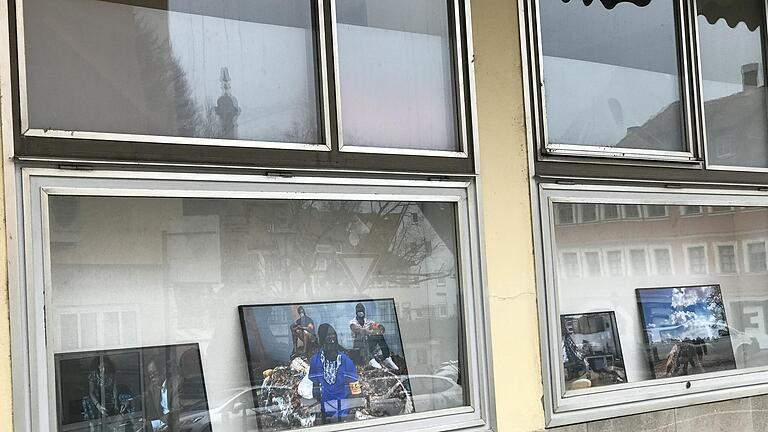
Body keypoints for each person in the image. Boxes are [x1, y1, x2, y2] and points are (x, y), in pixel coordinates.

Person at [308, 324, 361, 421]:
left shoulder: (345, 361)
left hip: (344, 411)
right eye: (328, 336)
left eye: (334, 336)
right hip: (325, 410)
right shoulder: (315, 360)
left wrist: (352, 409)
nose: (332, 339)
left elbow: (355, 389)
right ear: (322, 339)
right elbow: (315, 387)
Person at [82, 355, 136, 428]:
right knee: (86, 401)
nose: (104, 369)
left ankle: (130, 422)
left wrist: (116, 404)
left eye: (105, 366)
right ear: (98, 367)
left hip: (109, 395)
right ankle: (94, 426)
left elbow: (114, 389)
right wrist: (98, 406)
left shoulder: (111, 373)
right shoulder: (93, 374)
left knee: (126, 398)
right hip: (96, 396)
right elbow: (91, 392)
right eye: (102, 367)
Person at [349, 303, 398, 370]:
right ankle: (370, 360)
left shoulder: (369, 322)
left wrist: (379, 329)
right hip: (358, 349)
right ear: (356, 313)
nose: (361, 315)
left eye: (362, 312)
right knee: (361, 335)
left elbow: (378, 326)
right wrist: (371, 332)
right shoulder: (353, 323)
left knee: (378, 335)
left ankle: (386, 357)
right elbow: (359, 330)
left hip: (368, 347)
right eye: (359, 313)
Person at [144, 357, 182, 431]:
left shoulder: (176, 383)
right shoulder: (153, 387)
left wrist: (153, 424)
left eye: (154, 372)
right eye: (149, 374)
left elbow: (176, 412)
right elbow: (144, 397)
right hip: (162, 426)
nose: (151, 376)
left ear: (163, 370)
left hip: (176, 425)